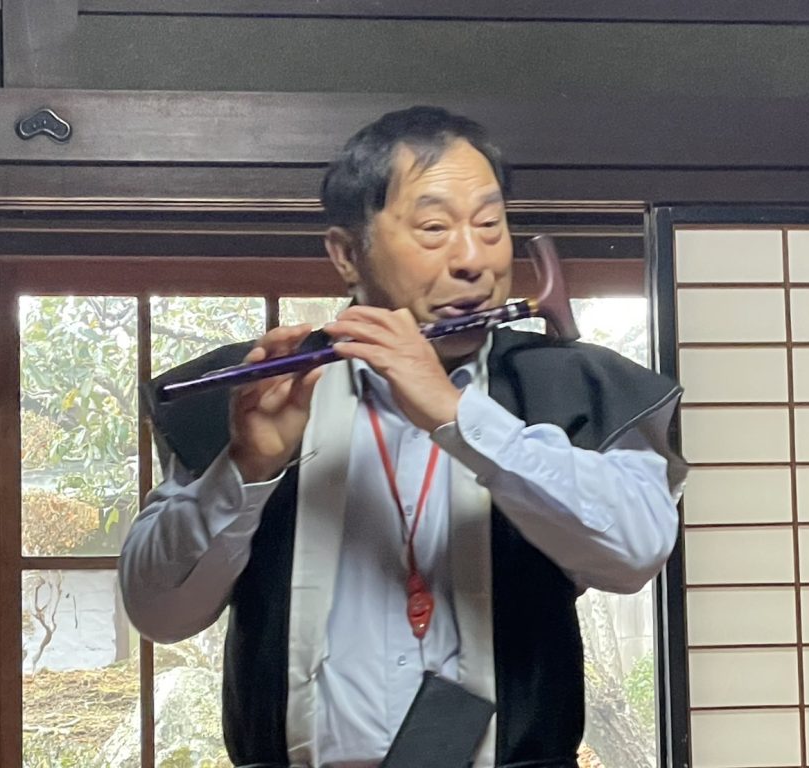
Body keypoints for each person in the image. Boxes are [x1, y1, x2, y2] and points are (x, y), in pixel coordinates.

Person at [119, 105, 686, 768]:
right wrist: (247, 467)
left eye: (490, 225)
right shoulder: (262, 392)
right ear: (346, 253)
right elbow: (158, 612)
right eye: (434, 228)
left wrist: (458, 415)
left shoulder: (566, 386)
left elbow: (636, 549)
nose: (472, 259)